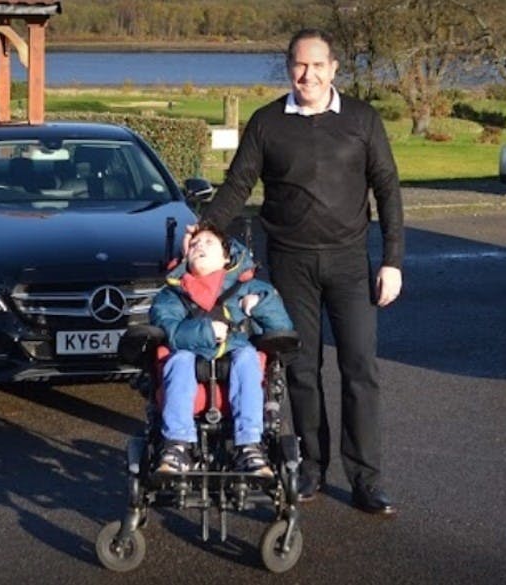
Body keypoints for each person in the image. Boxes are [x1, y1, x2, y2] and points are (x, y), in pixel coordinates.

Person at [193, 28, 404, 516]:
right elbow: (238, 184)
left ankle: (366, 479)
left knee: (360, 369)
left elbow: (388, 189)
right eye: (299, 65)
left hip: (350, 264)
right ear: (289, 68)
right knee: (302, 369)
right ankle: (311, 467)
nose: (307, 75)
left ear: (333, 69)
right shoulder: (268, 123)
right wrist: (205, 230)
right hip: (290, 264)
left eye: (317, 65)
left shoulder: (362, 120)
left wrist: (392, 260)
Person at [149, 222, 293, 477]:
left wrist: (259, 305)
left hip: (236, 352)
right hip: (190, 355)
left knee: (247, 356)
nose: (200, 246)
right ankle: (177, 445)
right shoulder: (171, 295)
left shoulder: (251, 288)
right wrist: (206, 332)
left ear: (226, 257)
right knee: (179, 360)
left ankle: (250, 445)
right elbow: (168, 329)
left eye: (208, 242)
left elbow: (282, 327)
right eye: (194, 244)